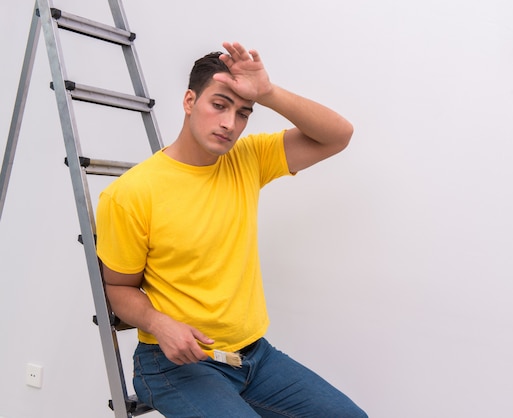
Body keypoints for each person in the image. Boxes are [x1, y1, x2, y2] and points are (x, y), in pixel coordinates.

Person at [95, 41, 367, 418]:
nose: (229, 124)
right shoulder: (129, 194)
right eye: (219, 105)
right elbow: (118, 287)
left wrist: (268, 92)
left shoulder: (247, 159)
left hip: (253, 357)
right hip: (172, 363)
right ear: (190, 101)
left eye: (243, 113)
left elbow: (338, 134)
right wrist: (160, 323)